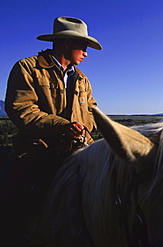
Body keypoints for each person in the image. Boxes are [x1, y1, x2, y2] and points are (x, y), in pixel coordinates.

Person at [0, 16, 102, 245]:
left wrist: (93, 127)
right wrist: (63, 127)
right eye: (83, 47)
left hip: (78, 152)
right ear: (66, 43)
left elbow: (92, 111)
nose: (86, 53)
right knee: (9, 196)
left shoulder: (83, 80)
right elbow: (21, 109)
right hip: (35, 151)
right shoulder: (27, 68)